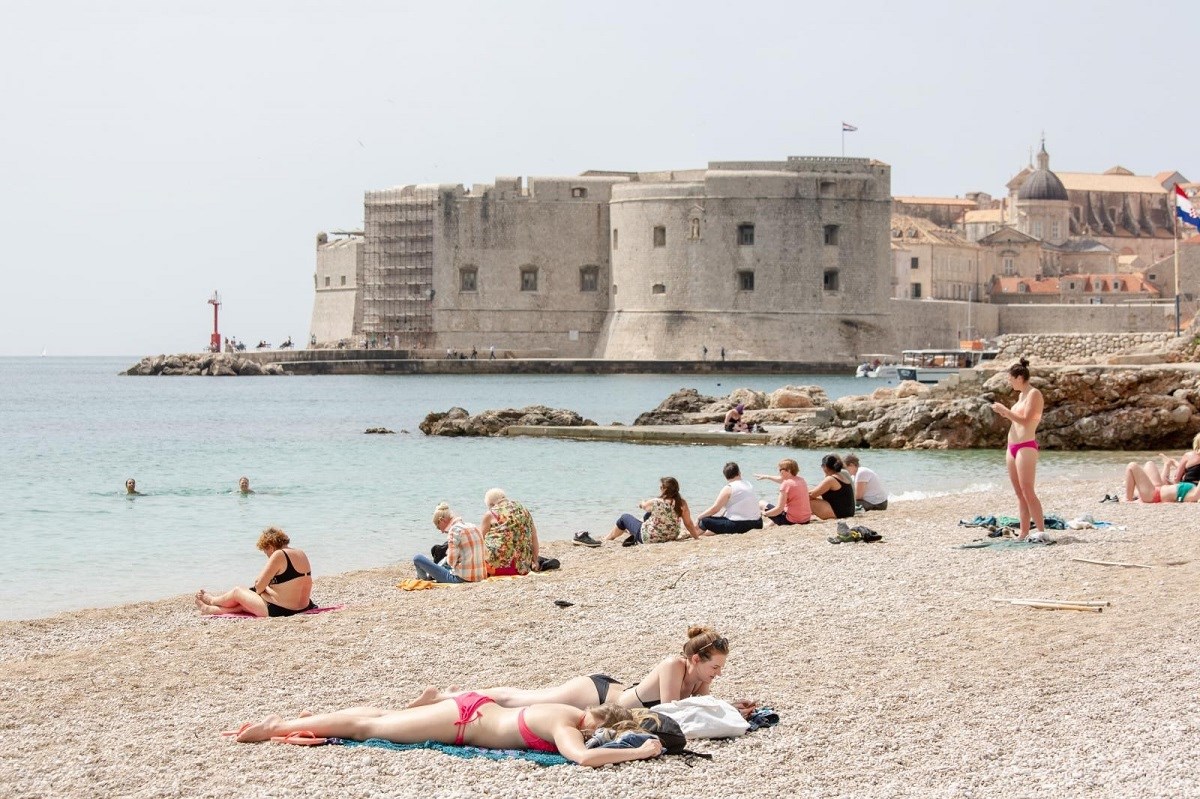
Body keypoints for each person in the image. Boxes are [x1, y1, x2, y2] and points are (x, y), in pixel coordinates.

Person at [419, 626, 756, 718]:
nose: (718, 673)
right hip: (594, 693)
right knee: (516, 700)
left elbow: (702, 709)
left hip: (611, 699)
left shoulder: (700, 678)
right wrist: (720, 709)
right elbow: (671, 711)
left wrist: (729, 708)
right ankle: (445, 697)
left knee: (520, 702)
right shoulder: (673, 665)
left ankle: (451, 696)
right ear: (696, 659)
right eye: (715, 666)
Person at [231, 699, 662, 766]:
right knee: (369, 727)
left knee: (381, 716)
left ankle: (308, 719)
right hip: (463, 724)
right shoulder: (566, 725)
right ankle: (278, 726)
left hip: (472, 709)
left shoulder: (570, 710)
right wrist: (638, 753)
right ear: (596, 725)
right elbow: (581, 758)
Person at [194, 526, 315, 617]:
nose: (267, 555)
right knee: (243, 605)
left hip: (280, 610)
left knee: (237, 592)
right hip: (304, 607)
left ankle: (211, 600)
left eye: (265, 551)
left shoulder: (279, 554)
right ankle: (209, 610)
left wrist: (263, 589)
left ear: (270, 547)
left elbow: (258, 586)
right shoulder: (300, 553)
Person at [991, 358, 1045, 541]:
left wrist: (1005, 411)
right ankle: (1024, 532)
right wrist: (1005, 412)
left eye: (1011, 379)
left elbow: (1026, 420)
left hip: (1026, 446)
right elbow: (1017, 420)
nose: (1009, 382)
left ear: (1020, 377)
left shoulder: (1034, 394)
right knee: (1019, 493)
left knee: (1028, 489)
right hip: (1012, 446)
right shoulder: (1021, 396)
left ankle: (1040, 530)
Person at [604, 477, 701, 544]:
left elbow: (644, 506)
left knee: (624, 518)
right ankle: (630, 532)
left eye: (660, 487)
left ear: (664, 489)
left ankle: (608, 538)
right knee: (648, 516)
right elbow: (688, 524)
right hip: (671, 536)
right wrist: (696, 537)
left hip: (650, 538)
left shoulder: (656, 502)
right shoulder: (682, 503)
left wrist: (642, 503)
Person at [413, 503, 485, 583]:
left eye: (438, 527)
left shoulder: (454, 530)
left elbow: (451, 562)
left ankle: (423, 580)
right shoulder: (473, 526)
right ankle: (425, 576)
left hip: (461, 578)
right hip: (480, 576)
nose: (442, 531)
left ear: (442, 520)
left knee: (418, 558)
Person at [480, 489, 539, 575]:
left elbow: (480, 539)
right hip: (523, 566)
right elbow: (534, 536)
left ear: (491, 504)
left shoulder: (491, 513)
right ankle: (539, 561)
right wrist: (535, 560)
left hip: (498, 568)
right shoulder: (523, 509)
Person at [696, 462, 764, 535]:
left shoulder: (729, 488)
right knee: (721, 519)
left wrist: (699, 517)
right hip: (758, 523)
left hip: (741, 525)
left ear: (725, 476)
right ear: (739, 472)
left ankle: (695, 534)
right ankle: (706, 533)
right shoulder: (748, 484)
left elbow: (715, 509)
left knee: (705, 521)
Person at [756, 458, 812, 525]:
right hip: (805, 520)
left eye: (780, 470)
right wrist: (767, 477)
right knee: (785, 507)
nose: (779, 472)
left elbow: (779, 509)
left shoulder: (786, 484)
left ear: (788, 470)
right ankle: (769, 525)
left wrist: (764, 514)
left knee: (761, 503)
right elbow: (781, 479)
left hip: (791, 521)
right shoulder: (801, 480)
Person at [1123, 460, 1200, 504]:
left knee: (1132, 466)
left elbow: (1195, 497)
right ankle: (1135, 490)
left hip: (1153, 495)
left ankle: (1128, 499)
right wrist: (1167, 466)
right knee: (1149, 463)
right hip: (1158, 487)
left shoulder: (1194, 494)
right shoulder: (1193, 487)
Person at [808, 454, 857, 520]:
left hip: (839, 514)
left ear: (825, 466)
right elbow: (816, 492)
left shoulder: (830, 479)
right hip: (849, 512)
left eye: (822, 466)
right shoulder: (841, 476)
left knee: (807, 500)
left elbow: (812, 495)